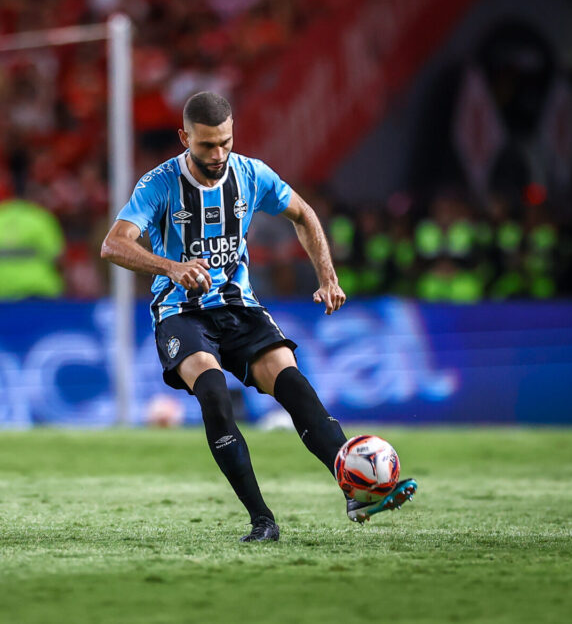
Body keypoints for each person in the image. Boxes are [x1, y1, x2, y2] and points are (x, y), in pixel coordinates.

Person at [101, 91, 417, 542]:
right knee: (213, 391)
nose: (218, 154)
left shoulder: (251, 174)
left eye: (225, 142)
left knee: (293, 385)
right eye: (206, 145)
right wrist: (171, 267)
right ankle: (262, 520)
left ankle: (355, 489)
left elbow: (304, 214)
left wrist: (328, 277)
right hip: (181, 312)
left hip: (240, 307)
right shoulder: (159, 184)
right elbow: (114, 244)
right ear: (184, 137)